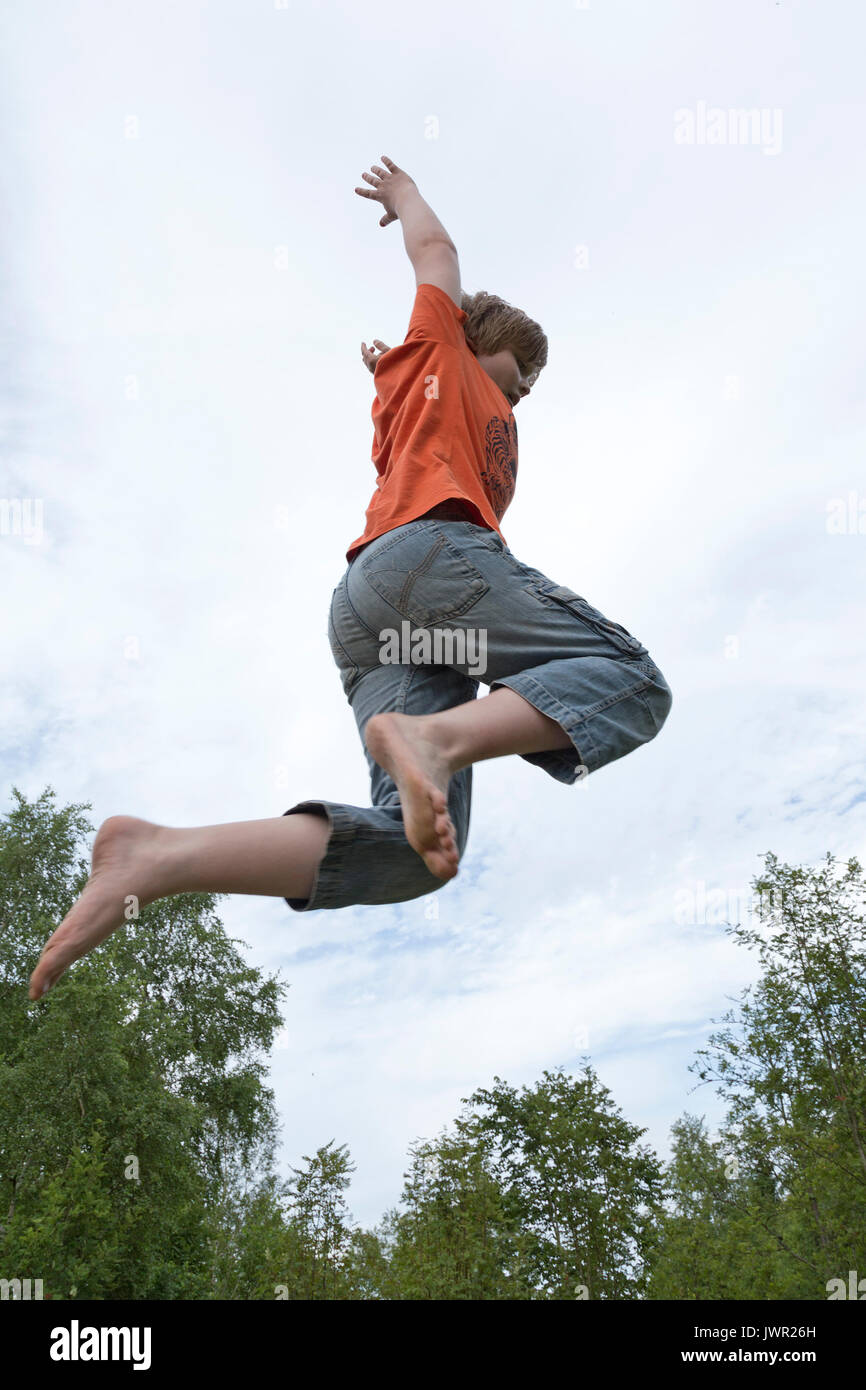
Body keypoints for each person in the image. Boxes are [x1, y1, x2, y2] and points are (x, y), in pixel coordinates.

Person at [28, 155, 672, 1002]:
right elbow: (435, 253)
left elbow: (402, 407)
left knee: (418, 856)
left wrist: (390, 369)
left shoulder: (413, 392)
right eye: (517, 377)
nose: (520, 399)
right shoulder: (446, 343)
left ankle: (157, 856)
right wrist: (406, 199)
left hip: (375, 619)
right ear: (473, 344)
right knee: (630, 679)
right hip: (433, 560)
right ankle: (434, 742)